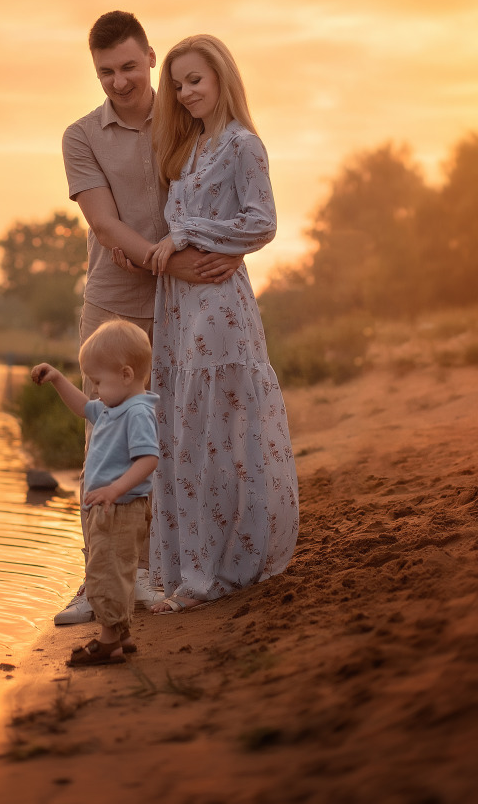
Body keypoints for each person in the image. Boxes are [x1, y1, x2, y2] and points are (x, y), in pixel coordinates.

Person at [58, 11, 244, 625]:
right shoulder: (81, 135)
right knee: (102, 448)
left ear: (151, 58)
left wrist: (208, 260)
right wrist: (169, 262)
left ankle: (148, 574)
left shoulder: (181, 117)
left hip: (180, 306)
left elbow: (215, 193)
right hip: (114, 301)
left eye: (129, 67)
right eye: (106, 72)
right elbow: (105, 224)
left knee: (168, 441)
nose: (118, 81)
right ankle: (95, 584)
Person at [143, 34, 299, 613]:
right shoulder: (188, 151)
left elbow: (263, 222)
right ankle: (191, 568)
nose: (184, 93)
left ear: (222, 78)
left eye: (195, 81)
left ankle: (219, 569)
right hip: (179, 308)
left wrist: (190, 236)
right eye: (178, 84)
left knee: (218, 429)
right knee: (184, 429)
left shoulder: (242, 144)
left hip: (218, 306)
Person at [31, 321, 159, 665]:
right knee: (114, 570)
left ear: (127, 374)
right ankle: (122, 635)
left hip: (121, 507)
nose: (96, 390)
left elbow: (149, 458)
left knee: (105, 573)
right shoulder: (111, 407)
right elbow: (82, 406)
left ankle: (108, 642)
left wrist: (115, 489)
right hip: (108, 508)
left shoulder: (137, 412)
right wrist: (58, 378)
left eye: (99, 382)